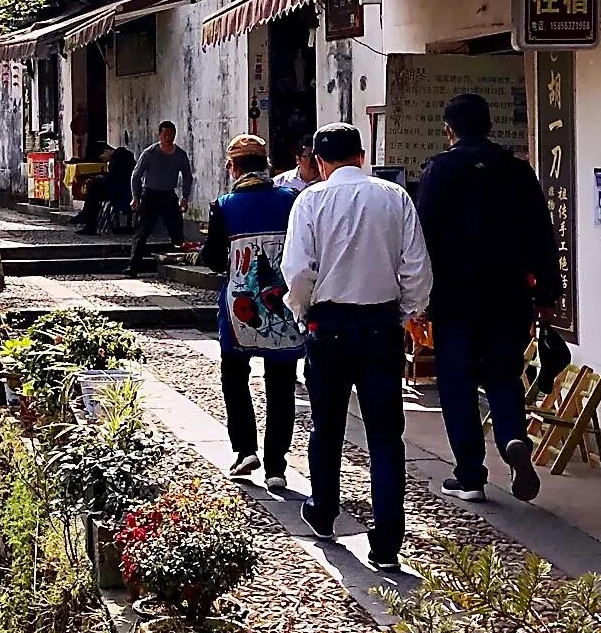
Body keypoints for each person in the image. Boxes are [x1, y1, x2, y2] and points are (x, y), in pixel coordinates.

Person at [281, 123, 432, 571]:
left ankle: (324, 510)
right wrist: (408, 312)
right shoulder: (394, 197)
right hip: (380, 324)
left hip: (327, 324)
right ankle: (387, 539)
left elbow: (299, 270)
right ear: (362, 156)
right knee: (386, 433)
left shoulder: (310, 200)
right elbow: (416, 266)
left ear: (320, 162)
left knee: (326, 425)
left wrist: (303, 311)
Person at [416, 92, 563, 504]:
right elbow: (540, 234)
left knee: (458, 383)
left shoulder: (440, 171)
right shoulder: (517, 171)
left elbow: (421, 237)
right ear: (489, 126)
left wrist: (418, 294)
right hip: (509, 294)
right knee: (503, 375)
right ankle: (514, 438)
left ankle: (469, 475)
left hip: (455, 297)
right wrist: (548, 291)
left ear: (449, 129)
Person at [200, 135, 304, 490]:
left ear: (233, 168)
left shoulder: (224, 205)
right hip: (283, 305)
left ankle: (245, 449)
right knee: (281, 385)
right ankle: (276, 465)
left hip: (239, 309)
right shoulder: (291, 200)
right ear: (267, 165)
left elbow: (213, 258)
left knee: (234, 377)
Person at [125, 120, 193, 273]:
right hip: (150, 195)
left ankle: (183, 264)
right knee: (142, 232)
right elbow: (136, 175)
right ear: (159, 135)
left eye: (171, 135)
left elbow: (187, 176)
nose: (168, 138)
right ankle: (133, 266)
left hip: (169, 195)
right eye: (165, 135)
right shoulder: (150, 153)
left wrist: (185, 197)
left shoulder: (180, 155)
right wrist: (135, 197)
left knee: (176, 230)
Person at [78, 143, 133, 235]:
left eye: (103, 157)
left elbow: (117, 177)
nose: (104, 160)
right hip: (121, 188)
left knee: (93, 190)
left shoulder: (120, 157)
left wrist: (102, 178)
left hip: (120, 190)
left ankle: (89, 223)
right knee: (94, 188)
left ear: (106, 151)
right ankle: (87, 219)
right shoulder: (121, 155)